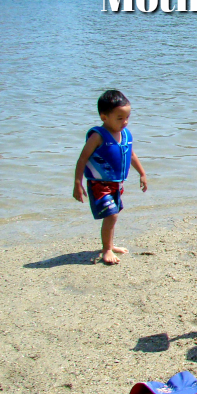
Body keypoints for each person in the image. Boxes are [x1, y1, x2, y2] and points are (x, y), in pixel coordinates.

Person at [73, 90, 148, 265]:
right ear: (104, 117)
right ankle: (106, 249)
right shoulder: (98, 136)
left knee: (113, 214)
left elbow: (131, 155)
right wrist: (77, 183)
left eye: (127, 117)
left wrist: (142, 173)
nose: (125, 122)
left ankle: (110, 245)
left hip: (116, 183)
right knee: (111, 215)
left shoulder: (125, 134)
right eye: (120, 118)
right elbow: (82, 158)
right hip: (99, 184)